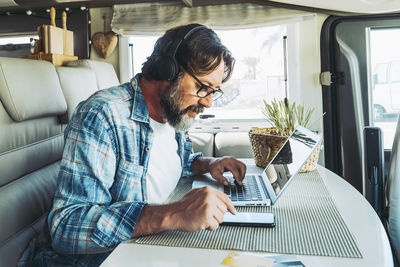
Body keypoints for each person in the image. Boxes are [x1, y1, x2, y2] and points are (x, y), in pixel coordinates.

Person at [18, 23, 246, 266]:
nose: (209, 103)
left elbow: (176, 163)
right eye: (202, 88)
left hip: (149, 249)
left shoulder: (173, 113)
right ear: (168, 71)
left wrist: (210, 164)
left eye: (214, 91)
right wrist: (174, 214)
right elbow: (66, 227)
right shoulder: (101, 116)